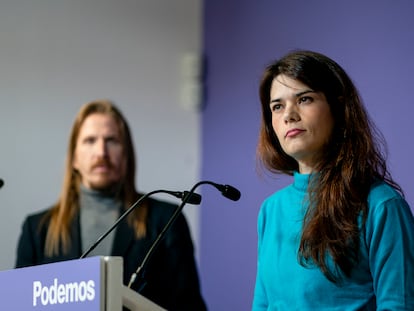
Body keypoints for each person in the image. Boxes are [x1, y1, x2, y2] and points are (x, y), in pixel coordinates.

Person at [253, 50, 414, 310]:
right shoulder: (270, 211)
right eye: (277, 106)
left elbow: (399, 305)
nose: (288, 115)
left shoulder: (382, 206)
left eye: (304, 99)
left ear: (338, 109)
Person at [15, 99, 207, 311]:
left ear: (126, 155)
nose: (101, 152)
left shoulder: (166, 220)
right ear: (74, 158)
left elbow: (190, 306)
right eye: (89, 140)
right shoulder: (37, 230)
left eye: (111, 140)